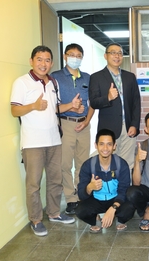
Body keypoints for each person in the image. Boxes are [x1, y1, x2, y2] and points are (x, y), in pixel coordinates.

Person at [10, 45, 76, 237]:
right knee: (34, 183)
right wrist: (33, 106)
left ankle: (54, 213)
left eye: (47, 60)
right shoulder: (22, 82)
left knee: (56, 179)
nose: (43, 63)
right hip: (33, 143)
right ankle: (36, 220)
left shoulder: (53, 82)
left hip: (54, 140)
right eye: (39, 59)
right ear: (31, 61)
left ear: (52, 63)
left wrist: (71, 105)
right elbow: (14, 110)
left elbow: (55, 109)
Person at [50, 43, 95, 215]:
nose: (75, 58)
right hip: (66, 124)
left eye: (78, 55)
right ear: (65, 56)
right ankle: (70, 198)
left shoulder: (87, 78)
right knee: (65, 164)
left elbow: (93, 104)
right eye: (72, 55)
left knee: (83, 164)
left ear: (82, 58)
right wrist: (70, 107)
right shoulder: (55, 77)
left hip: (84, 124)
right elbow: (52, 107)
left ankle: (81, 194)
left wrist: (87, 120)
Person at [89, 43, 141, 170]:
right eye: (113, 53)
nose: (117, 56)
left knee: (128, 164)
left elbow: (136, 102)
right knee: (109, 164)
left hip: (128, 127)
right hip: (108, 128)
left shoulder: (130, 77)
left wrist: (134, 124)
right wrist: (108, 98)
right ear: (105, 56)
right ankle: (110, 189)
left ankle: (125, 189)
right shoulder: (96, 77)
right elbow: (94, 102)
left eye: (120, 53)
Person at [75, 129, 135, 233]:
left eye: (109, 144)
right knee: (80, 210)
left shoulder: (121, 164)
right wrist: (89, 187)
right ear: (96, 145)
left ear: (114, 146)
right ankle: (95, 218)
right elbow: (81, 195)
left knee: (129, 208)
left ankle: (119, 219)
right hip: (96, 200)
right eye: (101, 144)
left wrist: (113, 208)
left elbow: (123, 190)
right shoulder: (88, 165)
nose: (105, 148)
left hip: (115, 199)